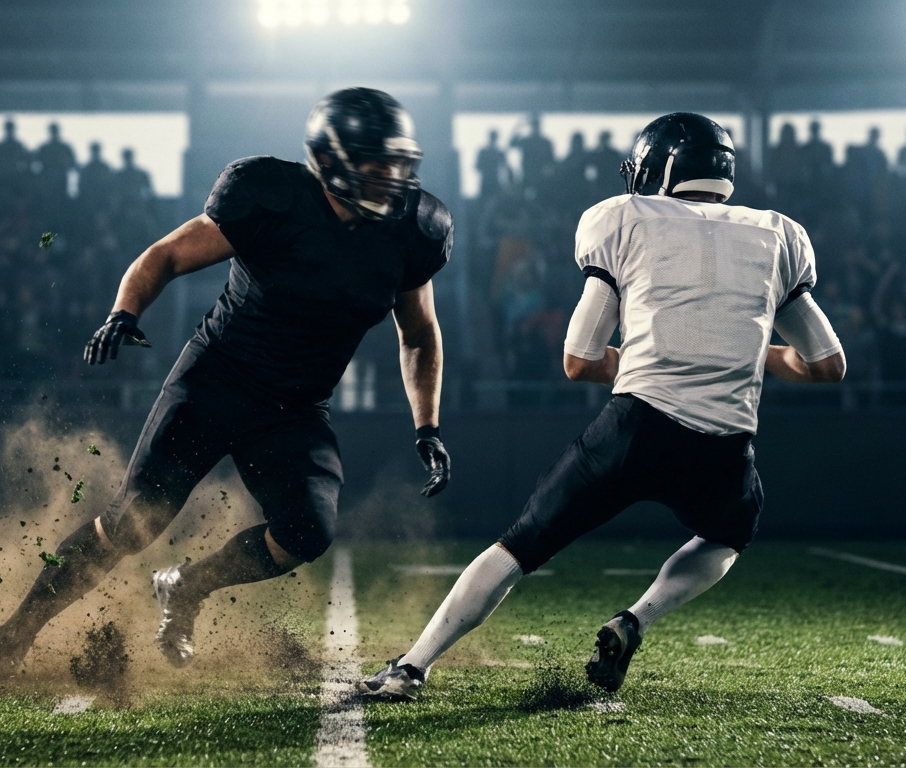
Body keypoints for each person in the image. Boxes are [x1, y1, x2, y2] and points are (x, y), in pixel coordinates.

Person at [359, 113, 846, 701]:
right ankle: (635, 619)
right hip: (723, 445)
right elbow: (826, 366)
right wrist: (747, 353)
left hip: (635, 428)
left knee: (519, 544)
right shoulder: (778, 234)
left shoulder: (622, 219)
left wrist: (651, 358)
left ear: (656, 167)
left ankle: (412, 667)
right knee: (727, 534)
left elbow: (579, 360)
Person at [0, 87, 454, 679]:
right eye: (377, 164)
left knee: (308, 530)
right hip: (217, 379)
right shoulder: (271, 198)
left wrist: (426, 425)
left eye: (399, 163)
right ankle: (14, 632)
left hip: (296, 406)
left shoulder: (414, 231)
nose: (393, 177)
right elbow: (166, 255)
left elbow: (419, 334)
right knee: (131, 524)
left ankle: (188, 587)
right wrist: (124, 313)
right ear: (331, 161)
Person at [510, 113, 554, 192]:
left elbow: (551, 162)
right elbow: (512, 144)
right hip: (529, 176)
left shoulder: (544, 143)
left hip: (539, 177)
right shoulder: (528, 141)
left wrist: (518, 126)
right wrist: (518, 126)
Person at [475, 129, 510, 199]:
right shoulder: (497, 153)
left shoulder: (484, 152)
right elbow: (477, 166)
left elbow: (477, 166)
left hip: (492, 181)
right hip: (490, 181)